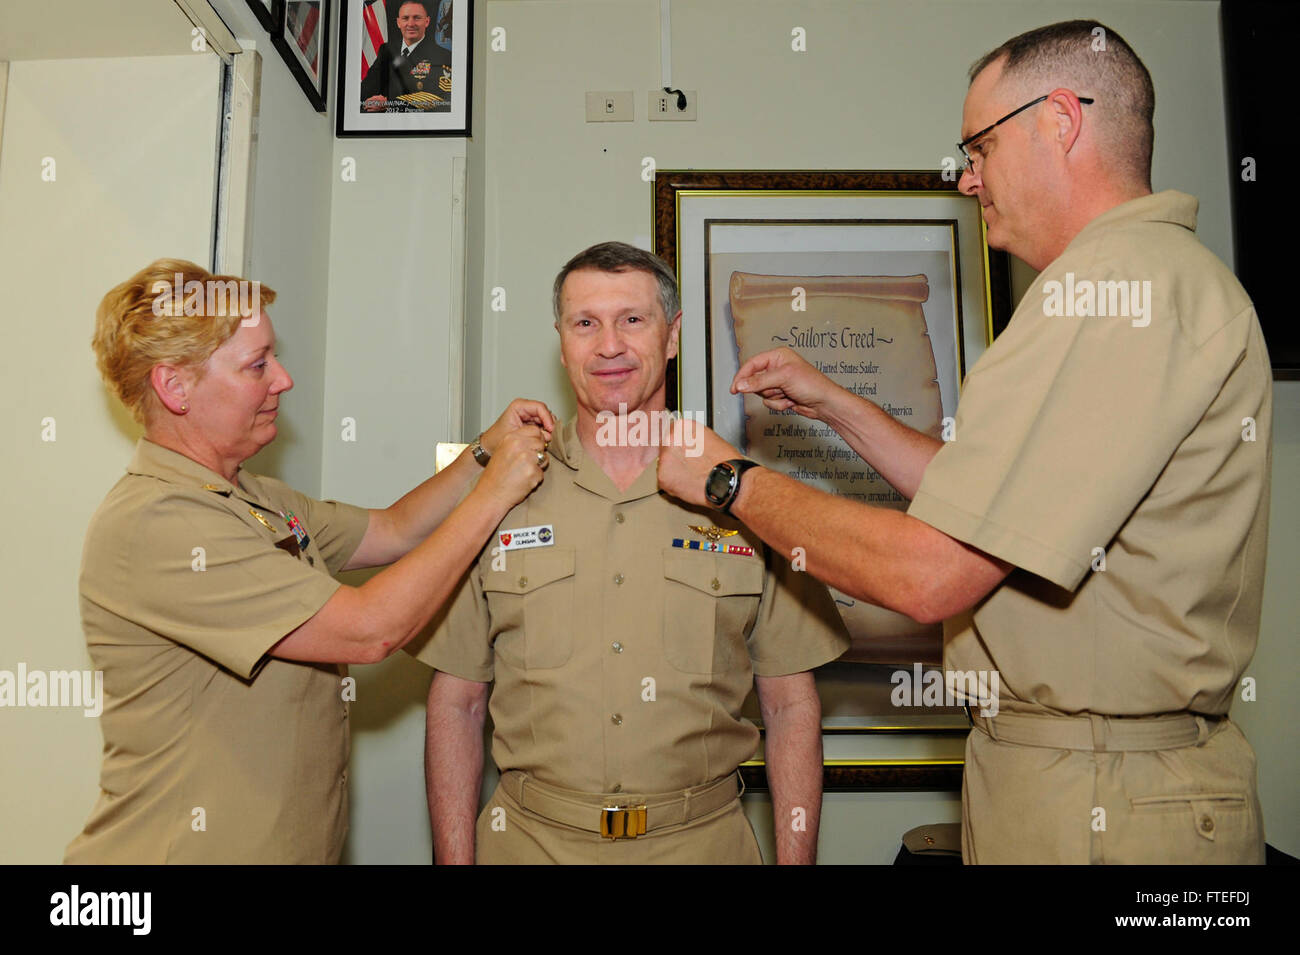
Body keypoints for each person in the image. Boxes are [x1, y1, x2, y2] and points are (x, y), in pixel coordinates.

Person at [656, 19, 1271, 864]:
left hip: (1106, 799)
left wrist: (729, 481)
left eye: (977, 148)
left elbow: (930, 572)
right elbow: (995, 502)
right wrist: (834, 404)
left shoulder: (1114, 289)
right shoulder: (1138, 281)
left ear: (1060, 120)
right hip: (1075, 776)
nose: (969, 179)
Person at [65, 258, 552, 864]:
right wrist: (496, 493)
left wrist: (485, 450)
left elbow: (392, 530)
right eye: (257, 364)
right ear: (175, 387)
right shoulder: (160, 522)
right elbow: (370, 630)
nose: (284, 380)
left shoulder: (252, 498)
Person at [408, 242, 849, 864]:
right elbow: (456, 701)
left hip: (702, 845)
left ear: (671, 338)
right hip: (530, 844)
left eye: (632, 320)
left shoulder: (746, 495)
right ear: (561, 341)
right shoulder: (498, 494)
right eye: (585, 323)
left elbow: (790, 701)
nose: (608, 345)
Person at [361, 1, 451, 112]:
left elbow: (437, 100)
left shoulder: (443, 56)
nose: (411, 23)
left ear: (427, 21)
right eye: (405, 18)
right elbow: (366, 88)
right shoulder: (386, 50)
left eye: (417, 18)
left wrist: (389, 104)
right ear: (398, 22)